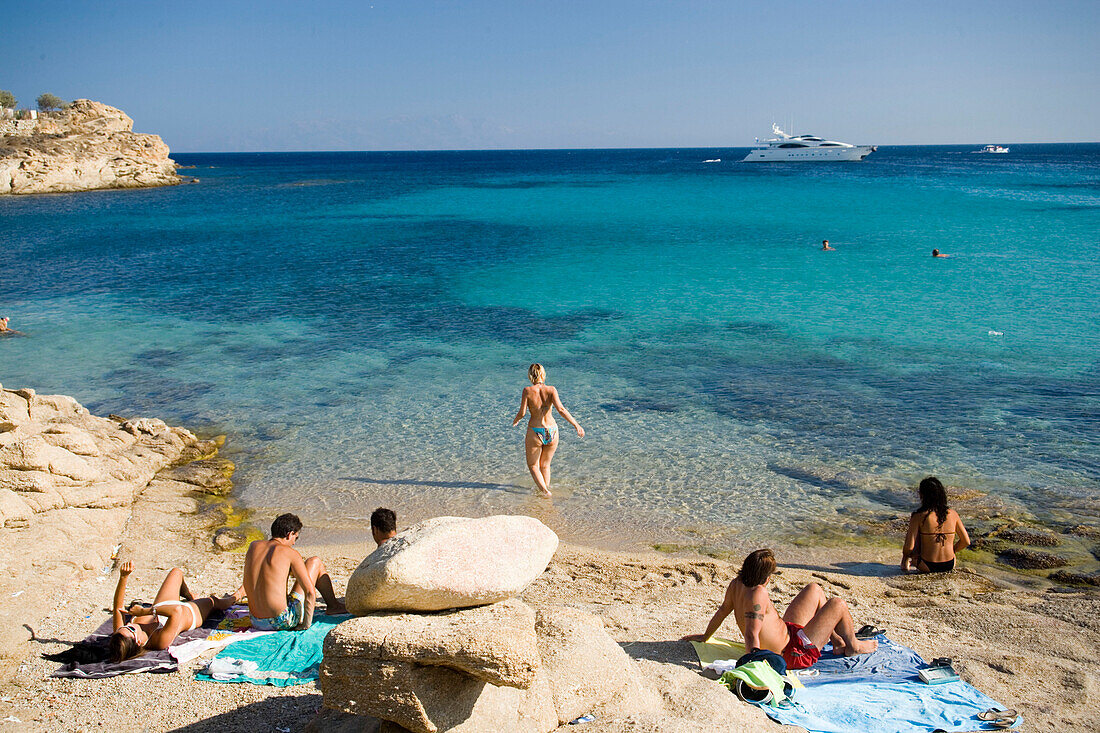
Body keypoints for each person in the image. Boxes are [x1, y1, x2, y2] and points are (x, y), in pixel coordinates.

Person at [682, 549, 877, 669]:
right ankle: (853, 647)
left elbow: (722, 611)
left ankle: (836, 642)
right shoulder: (758, 593)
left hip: (790, 633)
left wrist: (706, 636)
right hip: (792, 652)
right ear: (766, 578)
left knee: (814, 590)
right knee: (838, 604)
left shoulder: (736, 584)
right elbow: (751, 634)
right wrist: (754, 665)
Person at [108, 561, 242, 663]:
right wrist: (144, 611)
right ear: (138, 642)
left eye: (124, 626)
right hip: (188, 614)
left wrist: (123, 577)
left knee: (176, 572)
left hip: (161, 607)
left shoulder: (121, 634)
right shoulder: (159, 641)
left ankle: (188, 595)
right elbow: (176, 611)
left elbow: (118, 607)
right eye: (130, 628)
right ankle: (239, 594)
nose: (127, 625)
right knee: (215, 602)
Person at [243, 513, 345, 631]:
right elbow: (310, 593)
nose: (294, 543)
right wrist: (306, 625)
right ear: (289, 534)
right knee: (314, 562)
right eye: (295, 538)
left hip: (256, 621)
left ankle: (333, 606)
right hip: (281, 621)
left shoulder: (253, 546)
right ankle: (333, 606)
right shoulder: (289, 553)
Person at [512, 363, 585, 497]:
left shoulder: (527, 390)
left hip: (535, 430)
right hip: (553, 430)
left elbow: (522, 413)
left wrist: (516, 420)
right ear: (543, 374)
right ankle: (546, 492)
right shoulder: (551, 389)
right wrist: (576, 425)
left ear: (530, 375)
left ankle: (545, 492)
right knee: (545, 465)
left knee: (533, 466)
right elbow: (561, 410)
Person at [902, 476, 970, 573]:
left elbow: (909, 547)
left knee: (917, 534)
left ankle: (905, 563)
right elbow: (966, 541)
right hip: (950, 564)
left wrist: (908, 556)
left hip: (926, 565)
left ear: (923, 495)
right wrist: (953, 550)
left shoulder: (919, 516)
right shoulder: (953, 514)